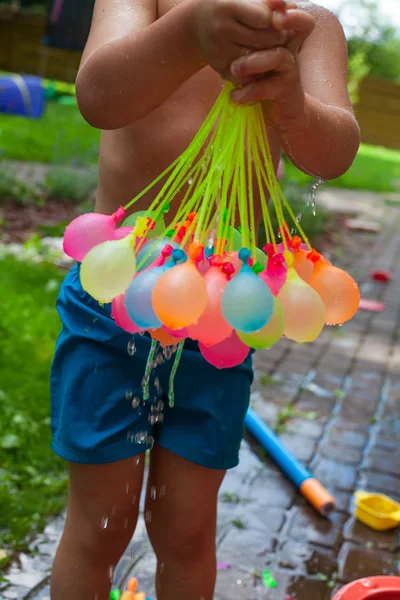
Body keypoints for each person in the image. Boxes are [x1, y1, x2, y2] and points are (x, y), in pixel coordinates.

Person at [50, 0, 360, 598]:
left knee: (188, 531)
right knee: (98, 530)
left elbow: (333, 154)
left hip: (219, 316)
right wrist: (191, 33)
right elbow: (99, 97)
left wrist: (292, 103)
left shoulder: (308, 27)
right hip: (114, 301)